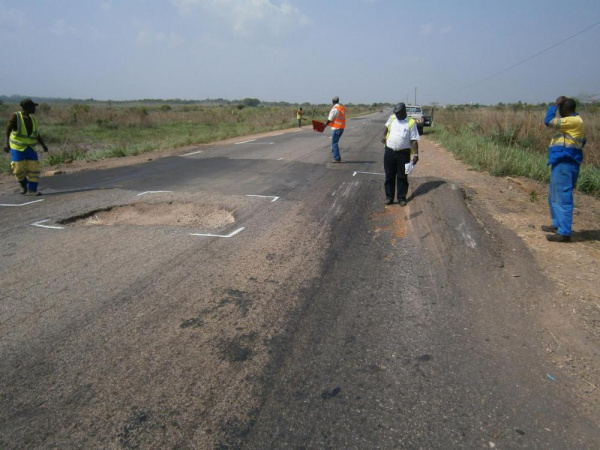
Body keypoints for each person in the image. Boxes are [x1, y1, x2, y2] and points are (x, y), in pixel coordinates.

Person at [542, 96, 586, 242]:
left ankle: (564, 232)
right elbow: (583, 141)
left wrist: (554, 105)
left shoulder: (573, 121)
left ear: (564, 109)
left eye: (560, 108)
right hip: (561, 161)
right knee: (554, 195)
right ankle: (557, 224)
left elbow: (548, 121)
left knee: (563, 197)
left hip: (566, 162)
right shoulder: (574, 122)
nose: (559, 111)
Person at [4, 99, 49, 196]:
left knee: (34, 170)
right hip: (17, 148)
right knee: (18, 169)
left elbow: (36, 134)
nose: (34, 109)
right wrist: (7, 144)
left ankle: (32, 189)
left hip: (30, 148)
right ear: (27, 107)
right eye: (33, 107)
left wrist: (43, 145)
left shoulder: (32, 118)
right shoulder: (16, 116)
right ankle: (23, 183)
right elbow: (8, 130)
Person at [381, 103, 420, 206]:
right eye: (396, 113)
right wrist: (384, 136)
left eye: (398, 113)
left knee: (402, 176)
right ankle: (389, 197)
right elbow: (386, 127)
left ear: (404, 112)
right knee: (389, 175)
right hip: (389, 151)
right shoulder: (392, 118)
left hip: (403, 154)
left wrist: (416, 155)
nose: (397, 115)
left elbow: (414, 140)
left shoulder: (411, 122)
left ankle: (401, 197)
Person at [324, 96, 346, 163]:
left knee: (334, 143)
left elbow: (330, 119)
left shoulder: (335, 109)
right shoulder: (342, 108)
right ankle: (337, 157)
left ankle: (337, 158)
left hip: (336, 128)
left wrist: (325, 125)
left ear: (333, 102)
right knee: (335, 143)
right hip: (341, 127)